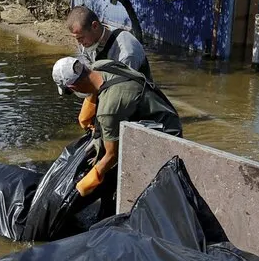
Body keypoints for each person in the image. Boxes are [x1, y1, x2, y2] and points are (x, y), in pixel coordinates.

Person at [52, 56, 181, 196]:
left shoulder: (108, 111)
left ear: (73, 87)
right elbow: (98, 89)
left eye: (69, 91)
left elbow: (112, 155)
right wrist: (90, 125)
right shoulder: (102, 65)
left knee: (136, 182)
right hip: (163, 110)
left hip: (167, 134)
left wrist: (87, 183)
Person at [64, 6, 152, 81]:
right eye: (77, 38)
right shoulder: (87, 45)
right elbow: (93, 79)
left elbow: (124, 90)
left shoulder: (126, 51)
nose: (79, 43)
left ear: (95, 26)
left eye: (81, 38)